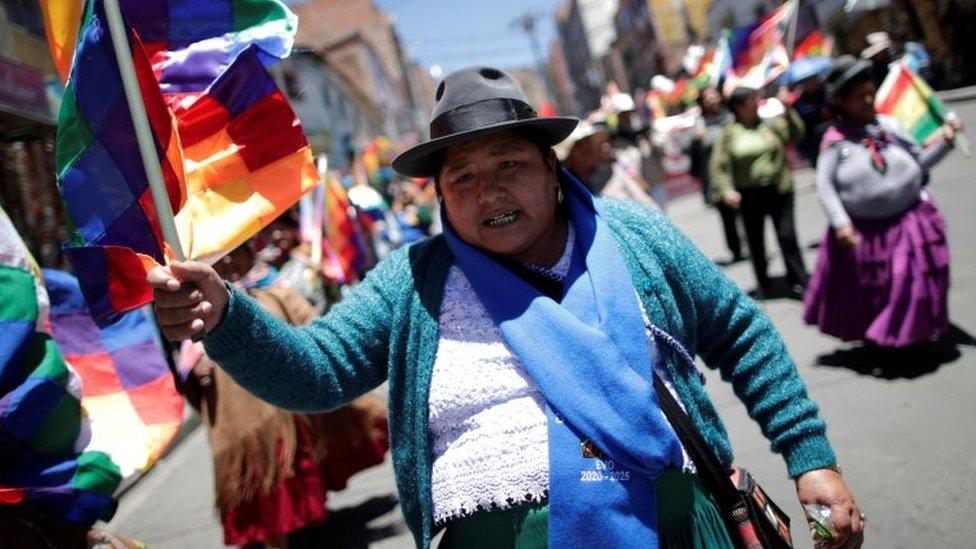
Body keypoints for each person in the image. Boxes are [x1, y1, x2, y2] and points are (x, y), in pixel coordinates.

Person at [149, 67, 863, 549]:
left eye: (510, 166)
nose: (489, 193)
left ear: (552, 171)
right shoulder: (413, 279)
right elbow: (316, 372)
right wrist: (227, 315)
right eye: (464, 177)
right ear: (440, 195)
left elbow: (741, 334)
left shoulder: (632, 237)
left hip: (674, 526)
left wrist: (811, 457)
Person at [182, 242, 389, 548]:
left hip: (285, 413)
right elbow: (188, 371)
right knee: (259, 485)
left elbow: (316, 341)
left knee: (294, 473)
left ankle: (311, 525)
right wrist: (194, 369)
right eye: (218, 260)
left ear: (249, 254)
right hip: (241, 424)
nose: (228, 264)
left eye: (234, 255)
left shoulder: (274, 291)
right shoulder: (198, 315)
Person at [803, 57, 958, 350]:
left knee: (912, 284)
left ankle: (915, 336)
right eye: (859, 96)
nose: (868, 100)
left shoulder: (889, 128)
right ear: (842, 102)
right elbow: (825, 187)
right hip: (868, 232)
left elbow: (920, 163)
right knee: (885, 290)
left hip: (909, 223)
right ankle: (889, 342)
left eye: (870, 92)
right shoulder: (835, 142)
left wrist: (945, 144)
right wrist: (841, 225)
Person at [709, 86, 809, 297]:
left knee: (787, 237)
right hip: (749, 195)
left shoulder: (770, 125)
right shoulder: (729, 133)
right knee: (756, 241)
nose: (755, 104)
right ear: (738, 107)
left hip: (778, 189)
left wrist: (788, 111)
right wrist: (726, 190)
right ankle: (764, 282)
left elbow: (796, 134)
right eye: (750, 101)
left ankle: (799, 280)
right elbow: (719, 166)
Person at [689, 86, 743, 263]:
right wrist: (696, 142)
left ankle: (751, 244)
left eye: (714, 96)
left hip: (737, 173)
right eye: (707, 98)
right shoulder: (700, 124)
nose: (712, 100)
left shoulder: (731, 117)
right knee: (727, 216)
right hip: (715, 177)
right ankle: (736, 249)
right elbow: (692, 152)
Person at [555, 119, 659, 209]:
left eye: (589, 143)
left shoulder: (613, 172)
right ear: (569, 154)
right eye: (579, 145)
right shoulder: (565, 188)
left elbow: (644, 202)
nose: (586, 149)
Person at [610, 92, 669, 210]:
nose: (626, 117)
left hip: (656, 184)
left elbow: (663, 152)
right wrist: (638, 181)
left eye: (628, 113)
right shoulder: (616, 140)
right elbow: (623, 164)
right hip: (635, 191)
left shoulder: (643, 132)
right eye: (623, 114)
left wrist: (650, 139)